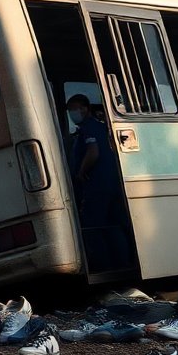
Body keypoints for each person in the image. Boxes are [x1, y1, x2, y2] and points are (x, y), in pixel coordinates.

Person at [66, 94, 131, 272]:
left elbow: (93, 152)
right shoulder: (101, 128)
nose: (72, 113)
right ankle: (123, 263)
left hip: (97, 186)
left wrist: (81, 172)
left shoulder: (88, 129)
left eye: (75, 108)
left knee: (93, 227)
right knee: (114, 225)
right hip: (113, 185)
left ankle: (104, 266)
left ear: (85, 109)